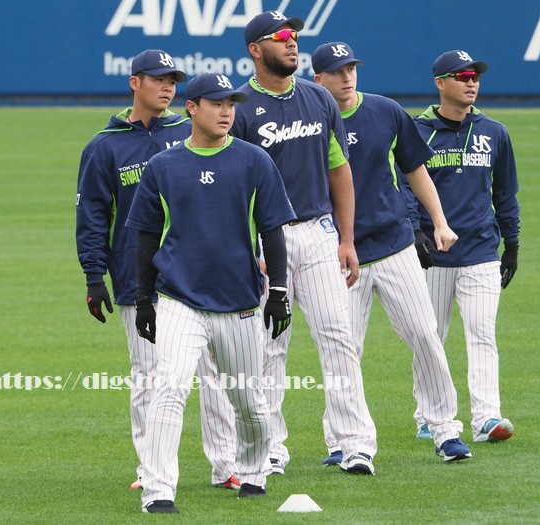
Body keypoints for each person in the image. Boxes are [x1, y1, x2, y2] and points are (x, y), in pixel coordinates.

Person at [125, 72, 296, 513]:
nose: (226, 112)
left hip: (239, 303)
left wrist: (278, 290)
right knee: (169, 388)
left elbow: (273, 231)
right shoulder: (164, 166)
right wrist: (145, 300)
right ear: (192, 108)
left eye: (231, 104)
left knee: (250, 405)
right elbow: (145, 237)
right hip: (180, 300)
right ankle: (159, 490)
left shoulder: (254, 161)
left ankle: (254, 471)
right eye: (216, 103)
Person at [75, 49, 239, 492]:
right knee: (149, 377)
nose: (167, 86)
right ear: (134, 82)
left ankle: (225, 465)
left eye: (173, 79)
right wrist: (94, 276)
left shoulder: (190, 133)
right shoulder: (104, 147)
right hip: (137, 280)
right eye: (158, 78)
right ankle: (151, 468)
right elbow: (92, 217)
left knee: (214, 376)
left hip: (199, 276)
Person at [311, 41, 473, 463]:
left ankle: (444, 430)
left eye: (352, 69)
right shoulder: (309, 120)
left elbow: (415, 170)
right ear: (318, 79)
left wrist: (439, 221)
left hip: (394, 244)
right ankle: (341, 440)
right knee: (345, 350)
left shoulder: (385, 110)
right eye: (337, 71)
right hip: (337, 255)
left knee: (425, 336)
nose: (347, 77)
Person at [231, 11, 378, 475]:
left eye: (295, 35)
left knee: (338, 334)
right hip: (263, 238)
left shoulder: (318, 99)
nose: (292, 43)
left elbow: (339, 170)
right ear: (256, 49)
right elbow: (232, 188)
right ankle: (271, 446)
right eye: (281, 37)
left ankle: (355, 442)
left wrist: (348, 238)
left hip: (317, 232)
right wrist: (244, 248)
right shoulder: (237, 107)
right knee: (270, 344)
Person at [411, 50, 520, 443]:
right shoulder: (417, 131)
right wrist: (416, 233)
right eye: (461, 76)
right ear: (440, 83)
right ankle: (428, 414)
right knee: (429, 337)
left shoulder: (495, 132)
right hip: (431, 256)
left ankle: (487, 418)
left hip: (481, 251)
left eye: (475, 75)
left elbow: (506, 193)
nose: (471, 81)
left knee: (482, 334)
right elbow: (406, 188)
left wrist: (513, 244)